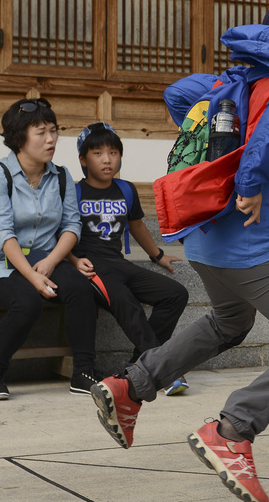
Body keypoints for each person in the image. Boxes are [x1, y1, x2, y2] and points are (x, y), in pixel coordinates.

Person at [91, 0, 269, 502]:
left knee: (231, 322)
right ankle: (233, 430)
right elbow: (268, 141)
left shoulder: (233, 83)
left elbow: (177, 94)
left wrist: (220, 144)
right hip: (250, 244)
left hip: (202, 240)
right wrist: (248, 183)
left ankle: (130, 387)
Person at [0, 98, 97, 401]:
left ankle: (83, 372)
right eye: (41, 133)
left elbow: (72, 226)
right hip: (2, 263)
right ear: (19, 138)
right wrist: (32, 277)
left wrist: (52, 262)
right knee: (28, 302)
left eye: (53, 131)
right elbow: (3, 233)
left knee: (82, 290)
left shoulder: (61, 176)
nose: (51, 139)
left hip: (46, 258)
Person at [69, 121, 190, 394]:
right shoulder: (74, 192)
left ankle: (139, 363)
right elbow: (60, 233)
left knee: (175, 294)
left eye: (113, 153)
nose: (107, 160)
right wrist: (73, 261)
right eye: (98, 153)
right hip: (91, 266)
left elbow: (136, 225)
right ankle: (161, 371)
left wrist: (157, 255)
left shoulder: (126, 189)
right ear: (83, 159)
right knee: (127, 302)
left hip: (118, 262)